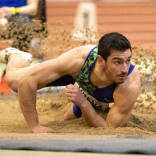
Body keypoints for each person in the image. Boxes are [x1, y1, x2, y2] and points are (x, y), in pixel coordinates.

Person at [0, 32, 141, 133]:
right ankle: (16, 56)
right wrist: (34, 126)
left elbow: (109, 129)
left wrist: (84, 103)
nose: (124, 69)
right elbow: (27, 82)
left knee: (74, 117)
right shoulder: (78, 60)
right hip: (78, 75)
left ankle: (86, 104)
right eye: (117, 62)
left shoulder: (129, 83)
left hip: (95, 94)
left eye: (128, 60)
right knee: (15, 82)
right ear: (100, 60)